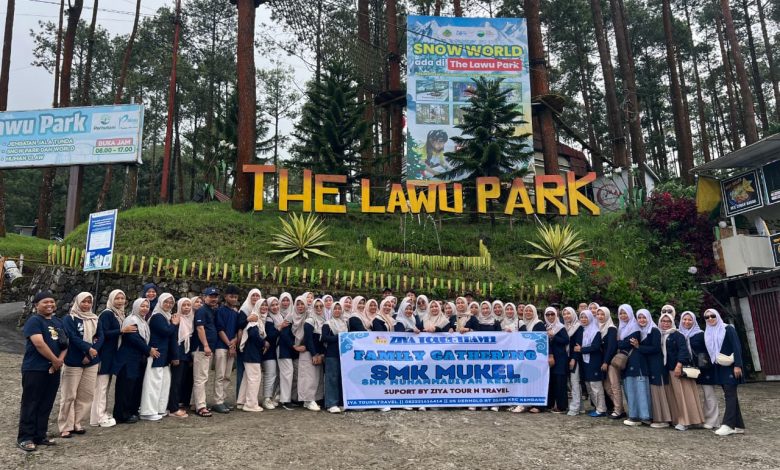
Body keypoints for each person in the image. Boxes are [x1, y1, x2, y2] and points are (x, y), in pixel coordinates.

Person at [17, 291, 67, 452]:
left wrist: (59, 361)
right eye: (45, 302)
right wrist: (54, 360)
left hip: (54, 369)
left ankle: (40, 435)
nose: (49, 304)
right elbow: (39, 343)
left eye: (52, 301)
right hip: (35, 368)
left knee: (46, 403)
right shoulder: (34, 321)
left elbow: (65, 343)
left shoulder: (58, 321)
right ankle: (25, 437)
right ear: (36, 305)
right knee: (31, 402)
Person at [58, 292, 99, 438]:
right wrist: (87, 349)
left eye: (89, 302)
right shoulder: (70, 318)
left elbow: (100, 337)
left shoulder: (95, 318)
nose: (86, 304)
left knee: (86, 394)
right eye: (84, 301)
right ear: (77, 302)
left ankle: (77, 422)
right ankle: (65, 425)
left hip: (92, 361)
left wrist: (90, 354)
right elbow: (72, 337)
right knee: (69, 395)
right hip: (73, 361)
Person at [90, 289, 132, 428]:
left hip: (111, 352)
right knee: (101, 387)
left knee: (105, 385)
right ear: (111, 299)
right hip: (105, 353)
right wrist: (121, 331)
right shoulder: (107, 314)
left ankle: (100, 414)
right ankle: (99, 417)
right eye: (117, 298)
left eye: (122, 298)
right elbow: (103, 333)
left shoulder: (118, 314)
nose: (120, 301)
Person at [113, 299, 159, 424]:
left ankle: (131, 411)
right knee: (125, 388)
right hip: (127, 359)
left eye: (147, 306)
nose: (145, 308)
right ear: (136, 306)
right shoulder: (132, 320)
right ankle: (122, 415)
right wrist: (149, 349)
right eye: (142, 306)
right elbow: (134, 338)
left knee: (134, 387)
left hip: (137, 359)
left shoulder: (142, 321)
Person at [658, 309, 704, 431]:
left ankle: (686, 421)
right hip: (668, 370)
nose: (665, 323)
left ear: (672, 322)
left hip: (678, 370)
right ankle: (677, 419)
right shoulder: (661, 335)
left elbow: (683, 351)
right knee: (674, 396)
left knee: (683, 396)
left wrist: (678, 366)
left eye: (668, 321)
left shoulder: (677, 335)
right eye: (663, 321)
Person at [704, 309, 746, 436]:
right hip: (719, 366)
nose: (710, 319)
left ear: (717, 316)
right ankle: (738, 425)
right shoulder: (708, 332)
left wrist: (738, 365)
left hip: (731, 366)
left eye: (712, 316)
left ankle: (728, 425)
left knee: (729, 394)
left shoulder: (728, 329)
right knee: (731, 395)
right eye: (707, 317)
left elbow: (737, 347)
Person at [140, 293, 180, 421]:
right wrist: (174, 324)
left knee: (164, 384)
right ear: (160, 302)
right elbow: (166, 332)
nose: (168, 305)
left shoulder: (166, 316)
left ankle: (159, 409)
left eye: (171, 302)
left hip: (164, 355)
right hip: (157, 354)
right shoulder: (157, 316)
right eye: (166, 302)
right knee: (153, 384)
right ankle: (148, 411)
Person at [679, 310, 719, 429]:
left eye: (689, 319)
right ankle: (695, 419)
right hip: (688, 369)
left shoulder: (701, 334)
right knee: (690, 396)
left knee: (708, 394)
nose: (687, 322)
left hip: (704, 367)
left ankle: (712, 420)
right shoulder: (679, 334)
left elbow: (710, 349)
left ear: (694, 321)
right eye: (684, 319)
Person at [635, 308, 672, 429]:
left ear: (649, 318)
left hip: (656, 364)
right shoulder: (641, 331)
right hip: (649, 365)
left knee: (658, 391)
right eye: (639, 317)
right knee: (652, 391)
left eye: (644, 317)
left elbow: (656, 348)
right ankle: (655, 417)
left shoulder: (654, 330)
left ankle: (663, 419)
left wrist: (639, 347)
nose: (642, 320)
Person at [619, 304, 650, 426]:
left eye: (625, 313)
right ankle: (634, 415)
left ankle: (644, 416)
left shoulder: (635, 328)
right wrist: (622, 342)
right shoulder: (621, 328)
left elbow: (624, 344)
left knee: (639, 388)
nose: (623, 315)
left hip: (636, 361)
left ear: (630, 314)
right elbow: (623, 343)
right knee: (630, 388)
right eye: (621, 313)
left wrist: (620, 342)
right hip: (627, 362)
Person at [191, 287, 220, 418]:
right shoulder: (202, 311)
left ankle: (195, 403)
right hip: (202, 349)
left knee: (203, 377)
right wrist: (206, 345)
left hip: (208, 349)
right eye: (211, 296)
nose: (213, 299)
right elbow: (200, 328)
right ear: (205, 297)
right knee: (201, 378)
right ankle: (201, 406)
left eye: (215, 296)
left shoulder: (211, 310)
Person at [213, 285, 240, 414]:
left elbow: (237, 330)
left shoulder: (236, 313)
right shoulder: (220, 311)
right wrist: (230, 345)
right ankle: (217, 401)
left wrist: (234, 342)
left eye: (235, 297)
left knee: (227, 375)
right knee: (220, 375)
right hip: (221, 346)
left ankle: (223, 399)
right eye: (231, 296)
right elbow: (220, 330)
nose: (233, 299)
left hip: (231, 347)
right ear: (225, 297)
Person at [236, 300, 267, 412]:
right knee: (255, 378)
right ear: (257, 306)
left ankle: (242, 401)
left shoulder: (257, 318)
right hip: (252, 353)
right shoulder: (255, 319)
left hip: (250, 353)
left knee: (247, 378)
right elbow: (253, 335)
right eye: (262, 305)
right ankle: (251, 404)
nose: (264, 307)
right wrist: (264, 343)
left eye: (266, 305)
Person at [576, 310, 607, 417]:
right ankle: (597, 408)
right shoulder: (582, 330)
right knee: (589, 386)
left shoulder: (596, 331)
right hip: (585, 362)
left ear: (590, 318)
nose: (583, 319)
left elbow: (595, 347)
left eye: (586, 317)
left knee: (596, 386)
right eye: (582, 317)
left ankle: (601, 409)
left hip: (594, 362)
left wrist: (581, 349)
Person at [168, 297, 193, 418]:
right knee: (176, 382)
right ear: (179, 306)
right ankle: (173, 408)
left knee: (182, 381)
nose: (187, 307)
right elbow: (173, 339)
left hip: (187, 355)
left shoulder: (191, 319)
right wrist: (175, 356)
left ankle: (178, 404)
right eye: (184, 305)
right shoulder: (176, 319)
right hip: (178, 354)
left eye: (189, 305)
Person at [298, 296, 324, 411]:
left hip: (317, 353)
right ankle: (308, 400)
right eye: (316, 306)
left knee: (316, 378)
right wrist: (314, 354)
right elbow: (308, 339)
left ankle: (311, 400)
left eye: (321, 306)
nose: (318, 308)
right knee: (308, 378)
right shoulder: (310, 321)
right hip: (309, 353)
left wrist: (320, 354)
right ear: (313, 307)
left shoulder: (322, 320)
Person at [235, 288, 261, 399]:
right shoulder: (245, 309)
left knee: (251, 375)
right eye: (253, 295)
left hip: (255, 346)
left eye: (257, 295)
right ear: (249, 297)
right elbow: (238, 325)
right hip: (244, 344)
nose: (255, 297)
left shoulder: (260, 309)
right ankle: (240, 398)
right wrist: (248, 320)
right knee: (242, 372)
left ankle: (249, 398)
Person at [322, 301, 347, 413]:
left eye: (339, 308)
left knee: (342, 379)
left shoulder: (344, 323)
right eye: (335, 308)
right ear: (332, 310)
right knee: (332, 378)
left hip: (343, 354)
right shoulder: (328, 324)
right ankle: (331, 403)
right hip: (331, 354)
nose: (337, 310)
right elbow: (324, 338)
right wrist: (339, 337)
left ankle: (341, 402)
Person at [596, 306, 621, 418]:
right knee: (607, 387)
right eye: (598, 314)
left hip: (610, 361)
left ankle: (619, 410)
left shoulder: (611, 328)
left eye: (603, 314)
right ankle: (618, 408)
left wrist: (606, 362)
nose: (600, 316)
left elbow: (611, 347)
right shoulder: (598, 327)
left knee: (614, 386)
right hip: (603, 361)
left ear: (607, 315)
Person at [544, 307, 570, 413]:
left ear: (556, 315)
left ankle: (562, 406)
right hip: (549, 359)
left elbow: (566, 340)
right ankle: (550, 404)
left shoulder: (560, 327)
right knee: (551, 382)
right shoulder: (545, 327)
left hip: (560, 359)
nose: (550, 316)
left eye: (552, 314)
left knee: (560, 383)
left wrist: (553, 336)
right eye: (548, 314)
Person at [278, 292, 300, 410]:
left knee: (294, 373)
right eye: (283, 300)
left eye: (288, 300)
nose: (286, 303)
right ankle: (285, 400)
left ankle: (292, 398)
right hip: (285, 348)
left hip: (294, 349)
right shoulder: (288, 317)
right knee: (287, 373)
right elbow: (284, 334)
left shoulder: (295, 314)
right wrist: (294, 345)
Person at [261, 296, 282, 409]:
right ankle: (266, 399)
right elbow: (270, 336)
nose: (275, 307)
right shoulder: (269, 319)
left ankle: (273, 397)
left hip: (276, 350)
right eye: (272, 305)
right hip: (269, 351)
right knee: (270, 374)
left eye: (276, 304)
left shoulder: (280, 316)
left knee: (276, 375)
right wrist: (279, 328)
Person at [562, 307, 584, 416]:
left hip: (575, 358)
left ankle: (575, 408)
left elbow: (578, 344)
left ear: (573, 314)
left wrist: (574, 359)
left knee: (574, 382)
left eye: (568, 313)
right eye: (564, 314)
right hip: (566, 357)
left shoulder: (578, 327)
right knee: (573, 383)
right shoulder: (564, 327)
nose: (566, 316)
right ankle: (580, 407)